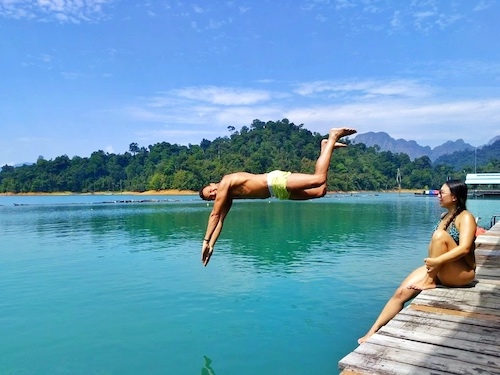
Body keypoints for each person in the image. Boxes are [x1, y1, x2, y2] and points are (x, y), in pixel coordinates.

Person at [198, 127, 357, 266]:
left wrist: (204, 241)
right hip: (278, 193)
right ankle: (326, 147)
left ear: (213, 183)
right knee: (321, 191)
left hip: (274, 181)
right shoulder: (228, 197)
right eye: (210, 197)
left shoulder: (226, 181)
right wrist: (212, 245)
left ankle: (333, 136)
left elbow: (214, 214)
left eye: (210, 191)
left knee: (318, 179)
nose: (213, 194)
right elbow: (219, 221)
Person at [358, 179, 476, 344]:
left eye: (442, 193)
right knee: (401, 293)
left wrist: (436, 262)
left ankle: (429, 281)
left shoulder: (466, 217)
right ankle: (373, 331)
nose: (438, 195)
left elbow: (464, 248)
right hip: (441, 267)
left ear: (455, 197)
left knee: (439, 235)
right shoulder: (444, 216)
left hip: (461, 274)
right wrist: (435, 263)